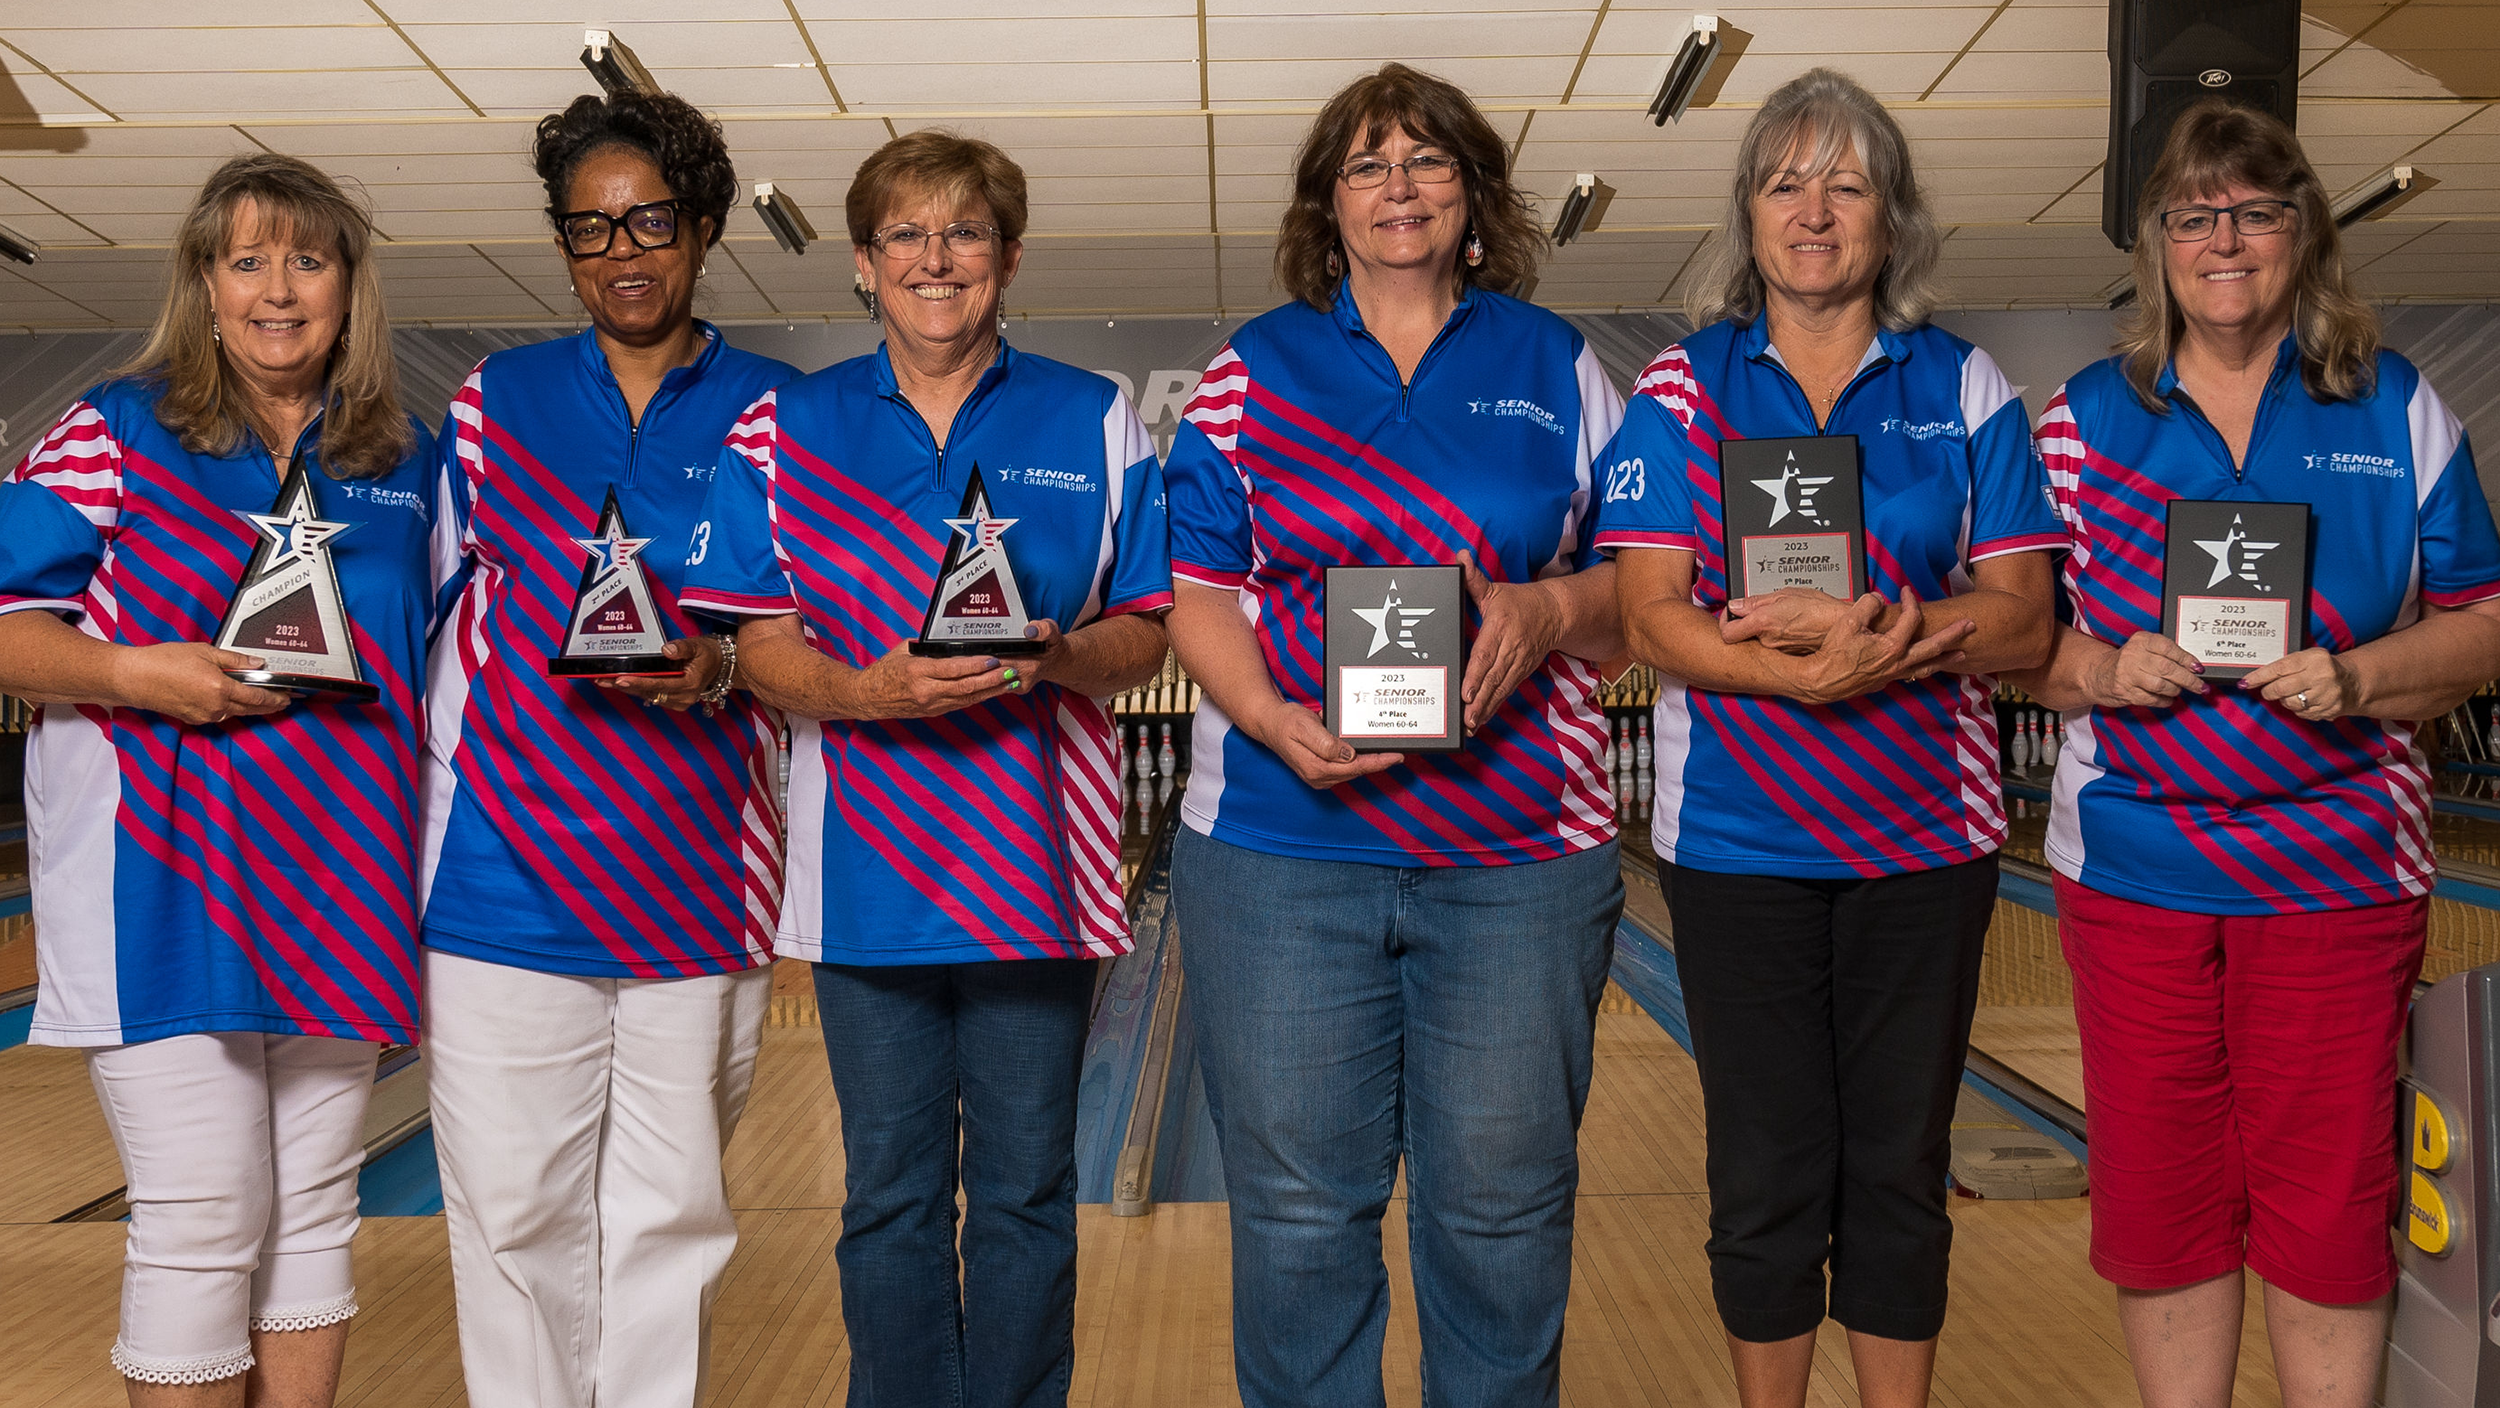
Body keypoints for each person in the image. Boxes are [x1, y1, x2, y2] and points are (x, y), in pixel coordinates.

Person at [2012, 98, 2500, 1408]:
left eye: (2257, 212)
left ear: (2304, 235)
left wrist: (2359, 676)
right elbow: (2013, 641)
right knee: (2166, 1201)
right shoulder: (2079, 425)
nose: (2225, 240)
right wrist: (2103, 668)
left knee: (2330, 1203)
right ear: (2158, 244)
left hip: (2338, 871)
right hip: (2135, 872)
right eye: (2195, 215)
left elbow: (2484, 623)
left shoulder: (2394, 406)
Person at [680, 129, 1170, 1408]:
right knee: (889, 1194)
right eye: (907, 234)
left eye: (962, 234)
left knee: (1023, 1192)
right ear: (862, 263)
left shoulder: (1094, 414)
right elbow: (757, 645)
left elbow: (1152, 630)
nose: (935, 258)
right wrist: (869, 691)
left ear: (1007, 259)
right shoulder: (785, 423)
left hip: (1039, 879)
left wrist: (1062, 654)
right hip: (863, 885)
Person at [1161, 63, 1626, 1408]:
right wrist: (1267, 716)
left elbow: (1638, 594)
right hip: (1279, 851)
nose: (1400, 187)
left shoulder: (1556, 364)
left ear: (1472, 196)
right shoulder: (1253, 371)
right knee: (1303, 1219)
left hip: (1520, 855)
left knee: (1501, 1215)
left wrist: (1545, 608)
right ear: (1332, 203)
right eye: (1368, 164)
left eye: (1428, 161)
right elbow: (1196, 593)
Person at [1600, 68, 2061, 1408]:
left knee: (1901, 1170)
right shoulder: (1684, 390)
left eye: (1847, 184)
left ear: (1889, 219)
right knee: (1767, 1167)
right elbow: (1643, 615)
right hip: (1737, 842)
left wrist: (1898, 641)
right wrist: (1796, 684)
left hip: (1928, 842)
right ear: (1747, 216)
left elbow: (2026, 622)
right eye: (1786, 182)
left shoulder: (1963, 384)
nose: (1815, 211)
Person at [0, 154, 431, 1403]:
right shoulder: (121, 429)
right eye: (248, 261)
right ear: (204, 283)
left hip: (347, 878)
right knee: (203, 1209)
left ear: (350, 288)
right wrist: (139, 675)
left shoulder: (401, 460)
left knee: (310, 1212)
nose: (279, 290)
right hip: (165, 887)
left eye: (308, 259)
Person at [418, 89, 797, 1408]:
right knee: (512, 1220)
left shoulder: (781, 413)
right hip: (503, 884)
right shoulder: (493, 401)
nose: (620, 251)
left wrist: (721, 663)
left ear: (698, 226)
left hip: (703, 886)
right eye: (588, 230)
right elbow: (414, 613)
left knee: (668, 1222)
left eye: (647, 220)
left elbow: (818, 635)